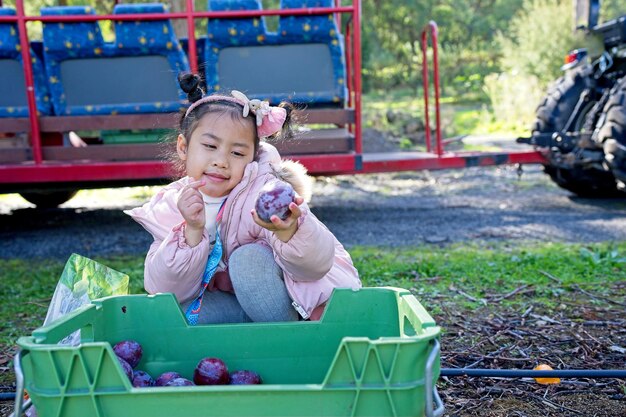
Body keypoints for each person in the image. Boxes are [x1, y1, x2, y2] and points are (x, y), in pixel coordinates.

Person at [125, 73, 361, 324]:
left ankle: (291, 340)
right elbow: (165, 289)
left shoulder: (266, 193)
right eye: (210, 146)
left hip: (297, 306)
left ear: (253, 157)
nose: (221, 161)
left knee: (247, 260)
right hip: (239, 303)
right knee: (177, 318)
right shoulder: (172, 205)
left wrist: (288, 231)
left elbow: (316, 265)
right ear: (183, 147)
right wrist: (192, 232)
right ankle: (250, 343)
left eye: (237, 152)